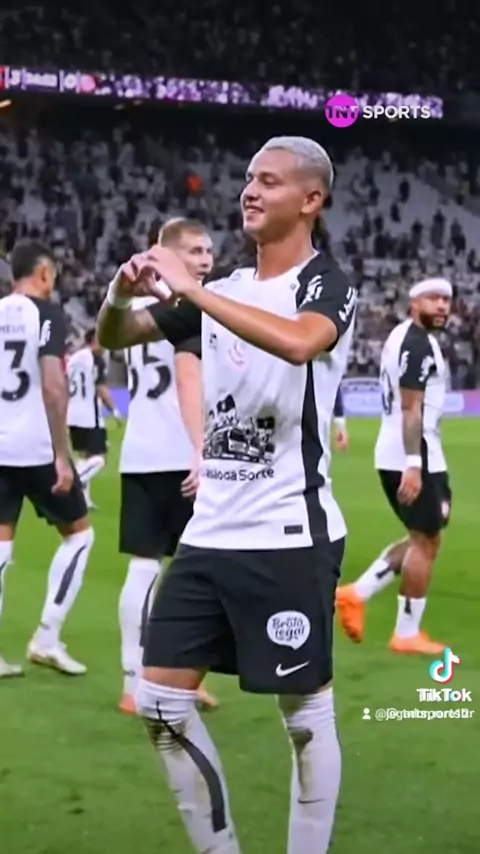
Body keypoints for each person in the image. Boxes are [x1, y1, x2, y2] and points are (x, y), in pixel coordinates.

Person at [98, 136, 357, 854]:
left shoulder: (326, 282)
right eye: (248, 178)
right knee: (160, 702)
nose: (250, 190)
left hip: (289, 535)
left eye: (269, 181)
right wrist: (119, 292)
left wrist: (192, 290)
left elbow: (301, 342)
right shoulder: (229, 289)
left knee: (303, 717)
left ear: (311, 199)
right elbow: (118, 335)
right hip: (209, 533)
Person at [118, 217, 218, 714]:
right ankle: (170, 677)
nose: (207, 260)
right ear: (170, 255)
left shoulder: (138, 310)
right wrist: (201, 451)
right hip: (182, 453)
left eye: (208, 251)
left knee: (147, 566)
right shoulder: (191, 308)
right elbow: (187, 377)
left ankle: (135, 680)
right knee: (193, 573)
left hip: (139, 449)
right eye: (196, 251)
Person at [336, 278, 452, 654]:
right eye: (433, 299)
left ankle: (356, 593)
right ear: (414, 302)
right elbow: (410, 408)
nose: (442, 306)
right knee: (426, 542)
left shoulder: (405, 337)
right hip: (412, 453)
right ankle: (406, 633)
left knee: (425, 537)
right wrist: (414, 464)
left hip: (408, 450)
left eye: (446, 300)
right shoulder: (416, 344)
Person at [0, 240, 94, 677]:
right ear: (43, 274)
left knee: (1, 546)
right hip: (36, 446)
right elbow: (54, 386)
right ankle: (47, 637)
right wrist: (61, 454)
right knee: (79, 535)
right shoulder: (47, 314)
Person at [67, 328, 121, 510]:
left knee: (85, 456)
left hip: (73, 415)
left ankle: (84, 500)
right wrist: (114, 411)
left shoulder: (75, 358)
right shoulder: (95, 359)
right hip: (90, 416)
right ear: (94, 340)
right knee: (100, 458)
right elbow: (101, 388)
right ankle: (74, 483)